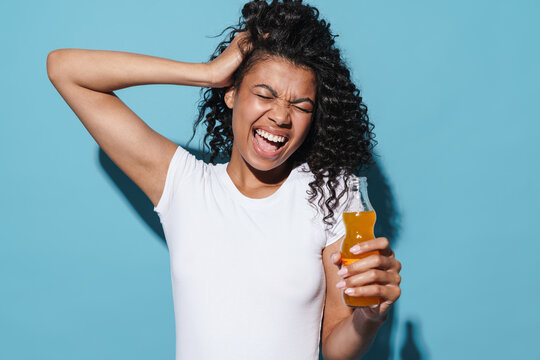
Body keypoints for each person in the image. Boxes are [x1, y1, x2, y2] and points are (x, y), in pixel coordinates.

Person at [46, 0, 402, 359]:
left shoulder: (332, 194)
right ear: (231, 93)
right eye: (264, 94)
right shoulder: (185, 186)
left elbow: (338, 349)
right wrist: (209, 73)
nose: (280, 115)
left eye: (301, 106)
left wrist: (368, 317)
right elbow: (65, 69)